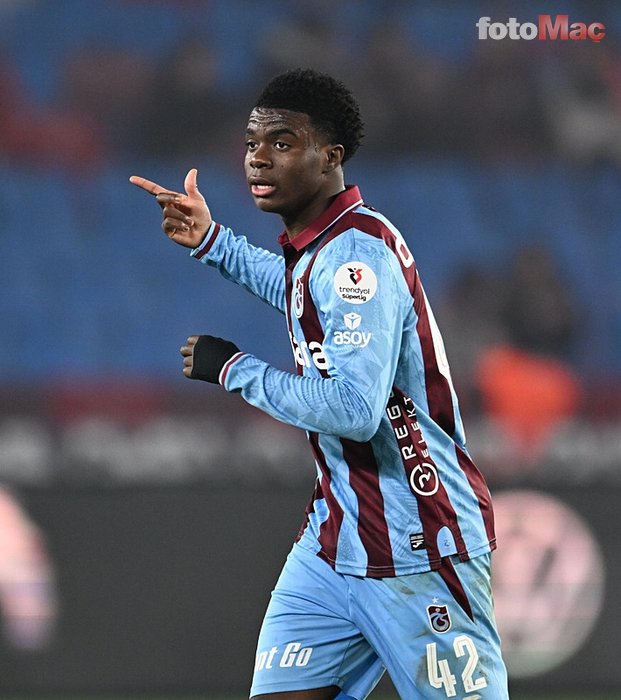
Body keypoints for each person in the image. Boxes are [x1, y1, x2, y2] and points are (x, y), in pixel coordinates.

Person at [130, 68, 508, 700]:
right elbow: (303, 295)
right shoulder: (324, 247)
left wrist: (235, 370)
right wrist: (213, 241)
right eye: (253, 143)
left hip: (419, 545)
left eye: (281, 143)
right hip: (334, 546)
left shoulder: (356, 257)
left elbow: (355, 410)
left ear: (330, 157)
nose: (258, 158)